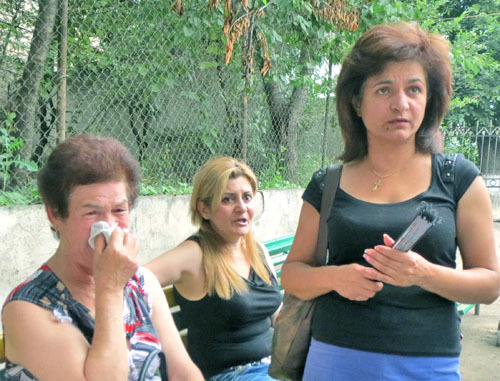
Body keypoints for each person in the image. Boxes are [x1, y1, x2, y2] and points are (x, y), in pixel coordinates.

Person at [281, 22, 500, 380]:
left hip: (427, 362)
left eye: (414, 89)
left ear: (428, 99)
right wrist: (336, 277)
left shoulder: (457, 178)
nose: (401, 104)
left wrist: (423, 273)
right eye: (384, 90)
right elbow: (292, 275)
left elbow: (490, 284)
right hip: (335, 357)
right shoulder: (327, 183)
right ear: (357, 101)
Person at [1, 134, 203, 381]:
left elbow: (184, 372)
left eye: (119, 210)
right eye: (91, 213)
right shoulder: (28, 309)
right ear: (54, 214)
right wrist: (109, 287)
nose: (108, 227)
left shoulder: (141, 283)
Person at [146, 156, 282, 380]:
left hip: (274, 367)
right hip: (230, 374)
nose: (242, 207)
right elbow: (132, 280)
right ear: (204, 209)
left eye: (247, 197)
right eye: (228, 199)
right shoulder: (194, 255)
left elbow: (277, 315)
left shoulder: (257, 250)